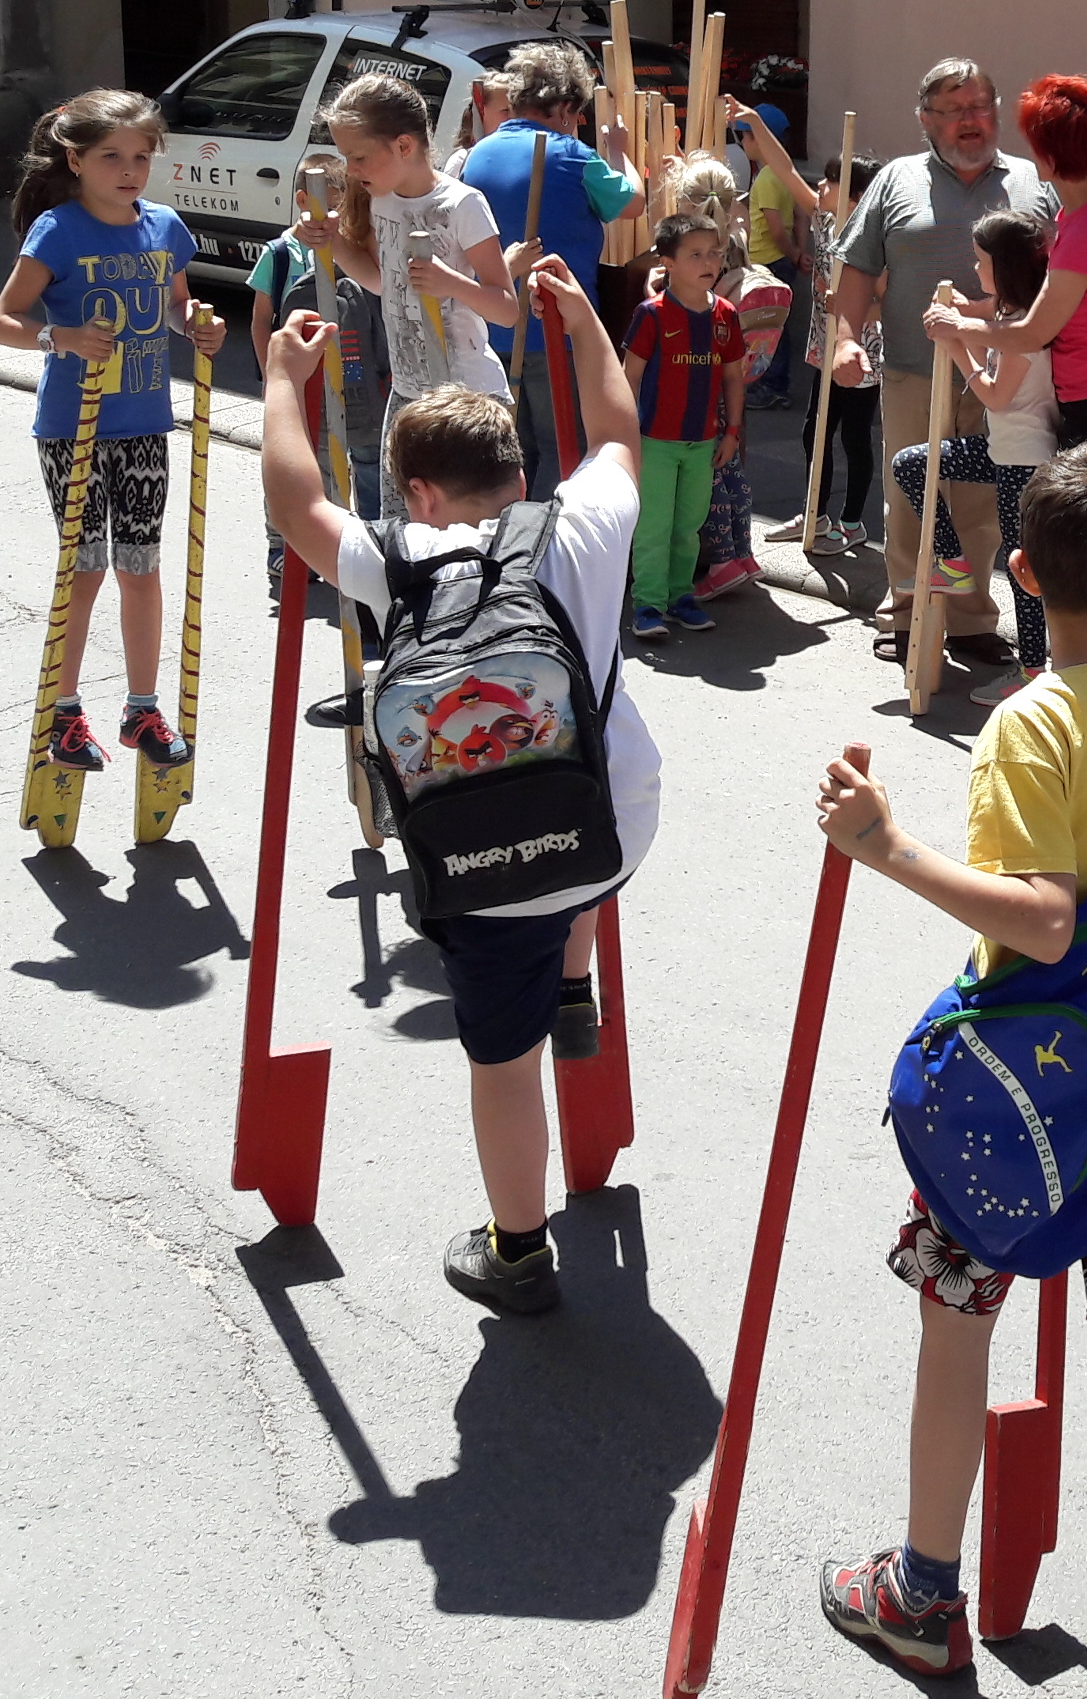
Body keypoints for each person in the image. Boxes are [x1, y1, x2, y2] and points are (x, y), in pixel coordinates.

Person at [813, 447, 1087, 1691]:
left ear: (1021, 572)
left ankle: (921, 1592)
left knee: (958, 1316)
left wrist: (887, 847)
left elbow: (1046, 923)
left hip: (1028, 1091)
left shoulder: (1030, 724)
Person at [258, 258, 661, 1313]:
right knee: (577, 824)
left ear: (419, 493)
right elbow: (617, 432)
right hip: (612, 826)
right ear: (519, 478)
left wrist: (283, 382)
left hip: (476, 866)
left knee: (503, 1065)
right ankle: (573, 982)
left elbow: (296, 503)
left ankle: (517, 1253)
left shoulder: (395, 557)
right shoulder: (581, 524)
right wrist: (583, 323)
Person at [0, 88, 228, 772]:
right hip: (74, 428)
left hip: (144, 423)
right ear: (76, 160)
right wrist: (59, 337)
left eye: (141, 157)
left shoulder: (165, 227)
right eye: (111, 157)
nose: (129, 170)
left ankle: (141, 708)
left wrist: (196, 326)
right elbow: (1, 322)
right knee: (84, 569)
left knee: (140, 567)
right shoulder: (57, 230)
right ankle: (64, 713)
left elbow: (176, 307)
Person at [830, 59, 1054, 668]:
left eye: (979, 106)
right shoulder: (896, 180)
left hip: (1005, 375)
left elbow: (1062, 275)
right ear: (926, 119)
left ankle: (970, 618)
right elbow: (857, 268)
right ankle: (908, 614)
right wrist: (846, 340)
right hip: (912, 368)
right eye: (954, 110)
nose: (970, 120)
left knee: (982, 505)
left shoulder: (1033, 182)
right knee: (911, 496)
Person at [293, 72, 517, 532]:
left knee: (469, 531)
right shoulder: (383, 202)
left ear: (403, 145)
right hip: (409, 392)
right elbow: (381, 281)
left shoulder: (462, 204)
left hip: (466, 397)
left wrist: (450, 282)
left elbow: (506, 308)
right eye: (346, 157)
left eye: (358, 157)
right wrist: (333, 242)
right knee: (402, 529)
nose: (350, 170)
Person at [926, 73, 1087, 463]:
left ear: (1050, 159)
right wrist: (976, 310)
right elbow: (1050, 302)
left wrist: (958, 328)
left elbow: (1032, 334)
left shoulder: (1086, 234)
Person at [893, 209, 1063, 708]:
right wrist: (963, 313)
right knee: (912, 463)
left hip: (1025, 464)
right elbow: (986, 310)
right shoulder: (1010, 311)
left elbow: (995, 396)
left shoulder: (1024, 331)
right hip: (999, 452)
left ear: (1003, 267)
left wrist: (956, 345)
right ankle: (952, 561)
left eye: (980, 261)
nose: (974, 268)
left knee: (1021, 569)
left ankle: (1032, 670)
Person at [458, 40, 640, 491]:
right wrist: (618, 151)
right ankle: (548, 534)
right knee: (565, 452)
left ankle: (508, 529)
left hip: (488, 329)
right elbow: (634, 202)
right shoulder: (573, 155)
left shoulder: (478, 155)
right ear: (563, 108)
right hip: (557, 331)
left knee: (507, 455)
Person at [247, 215, 385, 602]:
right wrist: (275, 380)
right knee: (308, 471)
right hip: (312, 390)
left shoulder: (361, 261)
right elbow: (262, 321)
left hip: (362, 391)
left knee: (368, 469)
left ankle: (364, 550)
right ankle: (287, 547)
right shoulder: (279, 255)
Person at [620, 211, 744, 639]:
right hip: (654, 441)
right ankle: (647, 604)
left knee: (688, 526)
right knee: (653, 526)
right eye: (695, 254)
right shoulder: (651, 315)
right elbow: (629, 377)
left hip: (703, 442)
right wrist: (625, 437)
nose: (709, 262)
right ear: (667, 262)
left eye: (714, 252)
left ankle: (680, 597)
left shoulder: (726, 315)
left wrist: (732, 433)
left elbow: (733, 378)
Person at [801, 151, 885, 553]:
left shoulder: (875, 240)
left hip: (861, 354)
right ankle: (815, 515)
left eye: (831, 180)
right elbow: (786, 173)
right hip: (826, 349)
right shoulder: (827, 222)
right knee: (814, 432)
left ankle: (852, 523)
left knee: (854, 437)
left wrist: (850, 308)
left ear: (856, 196)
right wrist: (755, 127)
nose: (820, 185)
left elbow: (888, 301)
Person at [731, 98, 812, 410]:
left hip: (768, 263)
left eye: (744, 136)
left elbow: (776, 230)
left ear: (759, 138)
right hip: (781, 260)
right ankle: (770, 382)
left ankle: (773, 385)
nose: (742, 143)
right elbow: (801, 215)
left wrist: (792, 254)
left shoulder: (766, 178)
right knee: (776, 325)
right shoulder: (785, 174)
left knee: (767, 327)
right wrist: (799, 252)